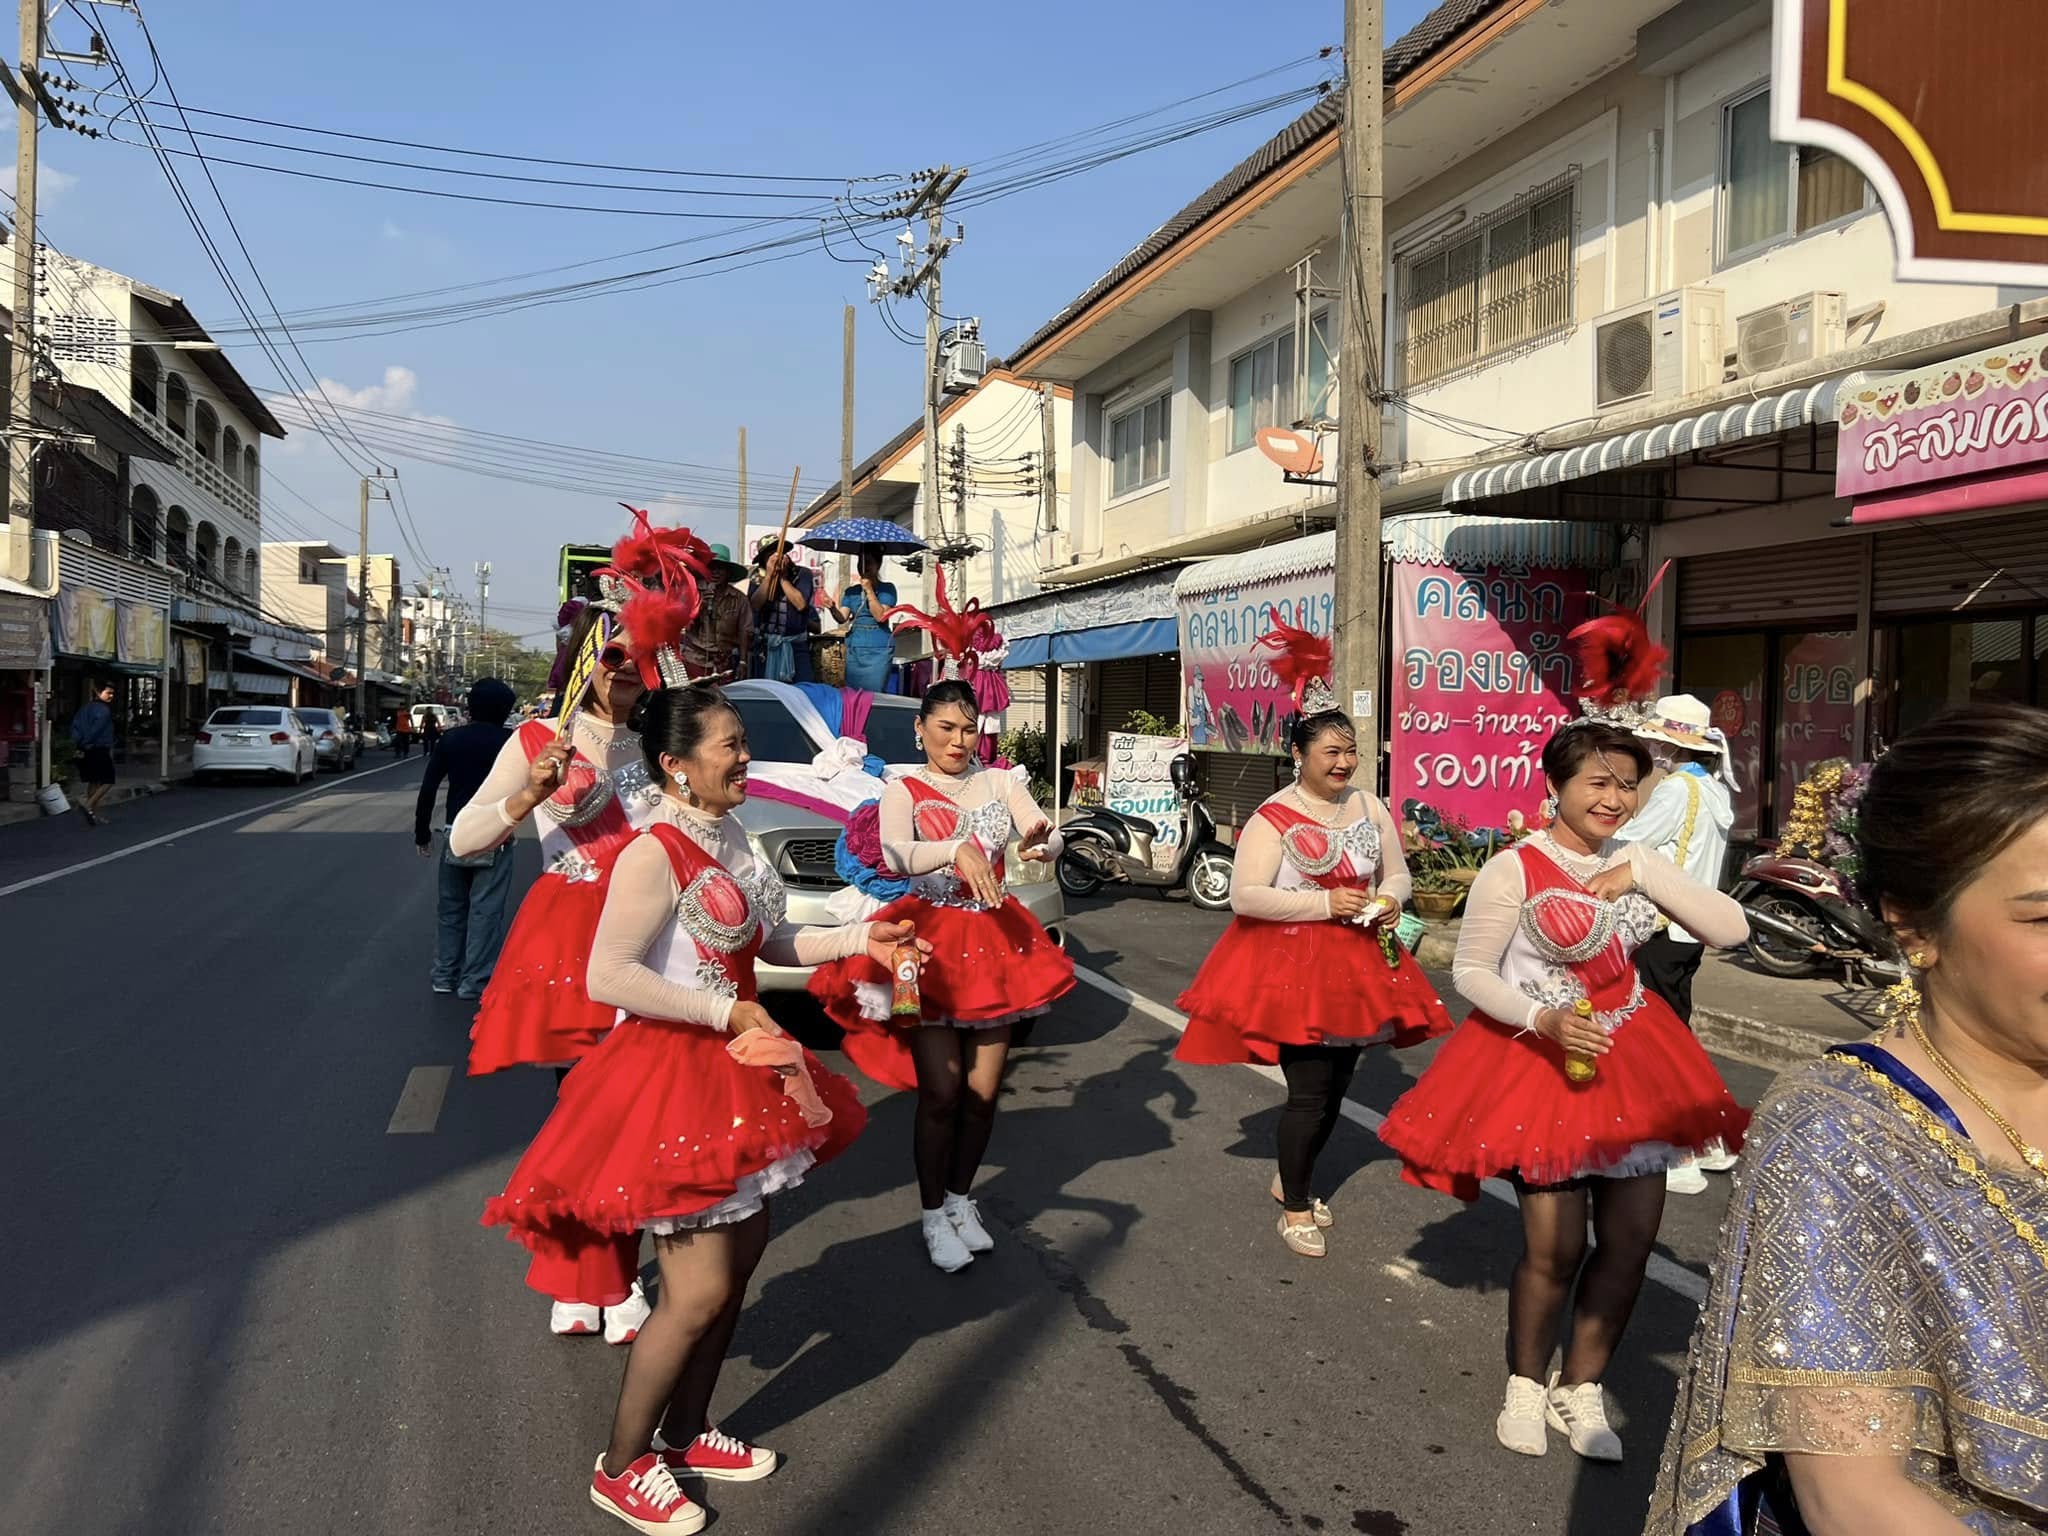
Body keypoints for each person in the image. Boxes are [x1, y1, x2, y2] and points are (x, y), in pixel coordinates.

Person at [483, 684, 919, 1534]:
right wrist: (724, 1012)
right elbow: (609, 975)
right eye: (730, 745)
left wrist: (863, 937)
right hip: (671, 1078)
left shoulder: (734, 837)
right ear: (676, 766)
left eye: (742, 741)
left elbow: (773, 941)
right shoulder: (652, 852)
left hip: (742, 1076)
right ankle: (622, 1465)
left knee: (740, 1264)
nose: (746, 756)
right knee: (695, 1291)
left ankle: (685, 1432)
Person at [1648, 701, 2048, 1536]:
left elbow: (1719, 912)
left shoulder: (1696, 798)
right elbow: (1854, 1499)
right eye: (2045, 918)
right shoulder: (1838, 1132)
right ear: (1912, 921)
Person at [1376, 719, 1751, 1463]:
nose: (1614, 799)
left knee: (1631, 1243)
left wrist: (1643, 874)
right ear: (1555, 786)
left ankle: (1580, 1386)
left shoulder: (1637, 858)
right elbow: (1471, 972)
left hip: (1633, 1058)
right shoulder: (1514, 868)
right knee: (1557, 1247)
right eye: (1598, 783)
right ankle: (1525, 1381)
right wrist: (1542, 1018)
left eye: (1628, 785)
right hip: (1541, 1064)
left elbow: (1731, 928)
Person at [455, 520, 705, 1343]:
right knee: (585, 1114)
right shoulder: (537, 740)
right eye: (612, 657)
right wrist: (529, 794)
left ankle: (605, 1275)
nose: (624, 673)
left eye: (638, 659)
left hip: (653, 940)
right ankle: (592, 1274)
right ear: (586, 658)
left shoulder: (661, 749)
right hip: (569, 944)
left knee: (632, 1117)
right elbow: (464, 841)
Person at [808, 679, 1074, 1272]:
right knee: (942, 1093)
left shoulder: (1001, 781)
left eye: (968, 728)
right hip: (920, 945)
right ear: (920, 728)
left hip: (995, 942)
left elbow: (1043, 831)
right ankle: (932, 1215)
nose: (958, 740)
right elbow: (896, 854)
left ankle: (959, 1200)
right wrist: (956, 849)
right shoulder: (902, 788)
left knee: (982, 1095)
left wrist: (1043, 844)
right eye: (946, 728)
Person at [1175, 706, 1454, 1257]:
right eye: (1331, 752)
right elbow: (1245, 896)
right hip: (1294, 969)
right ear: (1299, 755)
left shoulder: (1369, 806)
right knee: (1308, 1093)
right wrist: (1324, 904)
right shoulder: (1272, 816)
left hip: (1360, 963)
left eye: (1350, 752)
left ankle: (1290, 1179)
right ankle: (1296, 1208)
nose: (1343, 763)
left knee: (1338, 1088)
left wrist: (1388, 899)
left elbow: (1397, 874)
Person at [1614, 692, 1740, 1196]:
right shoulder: (1713, 790)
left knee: (1656, 1041)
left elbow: (1630, 844)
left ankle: (1681, 1150)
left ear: (1672, 747)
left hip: (1662, 927)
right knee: (1676, 1034)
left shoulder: (1675, 791)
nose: (1652, 750)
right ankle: (1712, 1138)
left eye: (1656, 742)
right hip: (1692, 929)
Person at [415, 679, 520, 1001]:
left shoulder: (451, 739)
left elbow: (429, 788)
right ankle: (474, 981)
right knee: (486, 911)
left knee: (451, 909)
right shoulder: (512, 742)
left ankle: (444, 975)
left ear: (470, 707)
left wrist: (422, 833)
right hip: (496, 835)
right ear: (505, 710)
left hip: (455, 833)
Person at [823, 547, 897, 693]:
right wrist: (832, 608)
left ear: (878, 565)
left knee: (875, 694)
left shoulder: (887, 589)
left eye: (868, 562)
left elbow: (880, 616)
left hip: (879, 648)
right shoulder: (852, 591)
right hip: (855, 647)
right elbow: (842, 617)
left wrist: (869, 590)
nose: (863, 567)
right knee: (853, 693)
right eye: (860, 562)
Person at [678, 544, 752, 682]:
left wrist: (743, 661)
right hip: (695, 660)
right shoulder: (693, 593)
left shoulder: (739, 599)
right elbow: (682, 623)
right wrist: (700, 607)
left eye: (720, 568)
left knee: (723, 695)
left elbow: (745, 631)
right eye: (712, 567)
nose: (715, 572)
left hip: (724, 663)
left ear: (728, 572)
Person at [747, 535, 814, 684]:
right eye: (770, 555)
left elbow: (801, 604)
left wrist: (783, 578)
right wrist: (769, 577)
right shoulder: (757, 576)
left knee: (802, 689)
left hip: (796, 647)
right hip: (765, 646)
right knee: (765, 691)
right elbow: (755, 605)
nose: (776, 558)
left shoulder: (802, 574)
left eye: (779, 552)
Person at [69, 680, 117, 825]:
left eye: (112, 693)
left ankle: (93, 814)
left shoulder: (84, 709)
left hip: (85, 749)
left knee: (94, 780)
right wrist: (87, 742)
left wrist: (79, 744)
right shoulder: (104, 710)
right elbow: (96, 730)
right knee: (108, 780)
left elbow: (75, 727)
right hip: (98, 747)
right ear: (98, 692)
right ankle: (88, 804)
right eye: (108, 693)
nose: (111, 696)